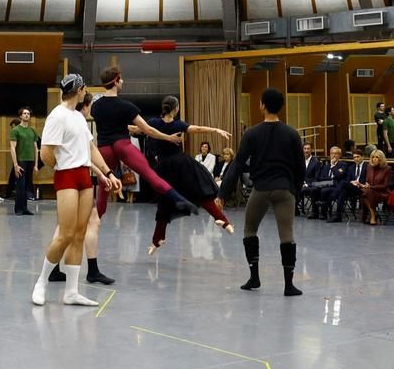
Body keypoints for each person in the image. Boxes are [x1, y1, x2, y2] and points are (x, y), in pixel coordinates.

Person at [31, 74, 121, 307]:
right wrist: (61, 167)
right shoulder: (57, 116)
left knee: (79, 234)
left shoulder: (79, 118)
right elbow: (45, 153)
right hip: (67, 176)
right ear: (79, 90)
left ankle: (71, 292)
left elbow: (90, 148)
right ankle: (41, 282)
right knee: (66, 234)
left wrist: (107, 172)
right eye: (84, 89)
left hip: (84, 176)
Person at [216, 88, 304, 297]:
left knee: (249, 230)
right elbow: (300, 167)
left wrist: (222, 193)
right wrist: (295, 190)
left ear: (262, 105)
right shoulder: (292, 133)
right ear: (281, 106)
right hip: (284, 189)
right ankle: (288, 285)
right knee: (287, 235)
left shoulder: (252, 133)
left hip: (260, 189)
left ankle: (254, 277)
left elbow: (237, 165)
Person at [90, 66, 199, 219]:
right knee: (150, 175)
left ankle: (96, 220)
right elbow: (148, 130)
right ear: (115, 82)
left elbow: (108, 123)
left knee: (103, 186)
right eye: (121, 79)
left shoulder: (95, 107)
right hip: (123, 145)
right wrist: (168, 137)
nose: (123, 81)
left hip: (104, 149)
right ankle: (179, 200)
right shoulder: (126, 106)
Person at [142, 95, 235, 254]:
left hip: (164, 169)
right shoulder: (178, 124)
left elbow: (137, 128)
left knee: (165, 203)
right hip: (181, 164)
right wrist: (215, 130)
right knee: (201, 192)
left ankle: (157, 241)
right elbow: (197, 129)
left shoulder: (154, 123)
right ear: (176, 109)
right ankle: (224, 221)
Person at [45, 95, 116, 286]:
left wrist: (102, 174)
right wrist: (103, 173)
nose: (89, 111)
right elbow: (70, 156)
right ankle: (88, 270)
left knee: (70, 227)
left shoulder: (77, 121)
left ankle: (60, 272)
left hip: (81, 179)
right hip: (71, 180)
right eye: (89, 107)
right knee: (76, 227)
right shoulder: (68, 118)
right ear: (84, 105)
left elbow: (84, 155)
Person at [9, 107, 40, 216]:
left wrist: (36, 164)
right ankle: (18, 209)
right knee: (20, 185)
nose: (27, 115)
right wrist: (16, 164)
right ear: (21, 116)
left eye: (28, 114)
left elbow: (36, 148)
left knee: (27, 185)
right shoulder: (16, 130)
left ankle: (25, 208)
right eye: (24, 113)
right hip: (21, 161)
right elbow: (12, 148)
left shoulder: (32, 131)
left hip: (30, 161)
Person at [307, 146, 345, 219]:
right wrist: (330, 179)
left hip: (335, 186)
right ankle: (315, 212)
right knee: (313, 189)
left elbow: (339, 176)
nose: (333, 155)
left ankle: (323, 213)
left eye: (336, 153)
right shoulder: (326, 166)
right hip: (325, 184)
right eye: (332, 153)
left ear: (339, 155)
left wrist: (333, 166)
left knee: (324, 190)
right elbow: (320, 177)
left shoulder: (343, 165)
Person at [360, 149, 392, 225]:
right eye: (373, 157)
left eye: (377, 157)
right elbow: (367, 180)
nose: (374, 159)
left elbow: (385, 186)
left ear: (381, 158)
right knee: (363, 192)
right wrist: (365, 185)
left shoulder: (387, 169)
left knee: (367, 193)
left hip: (382, 192)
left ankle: (373, 215)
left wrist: (371, 187)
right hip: (370, 191)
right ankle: (373, 214)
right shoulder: (369, 167)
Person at [298, 143, 321, 215]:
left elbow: (317, 177)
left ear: (311, 150)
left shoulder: (316, 162)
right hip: (301, 184)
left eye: (308, 148)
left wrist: (307, 184)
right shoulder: (299, 161)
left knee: (309, 190)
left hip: (311, 185)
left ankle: (314, 212)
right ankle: (295, 210)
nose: (306, 150)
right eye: (305, 149)